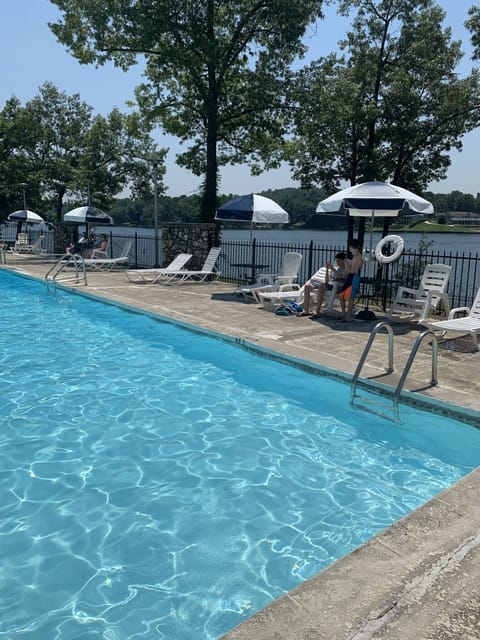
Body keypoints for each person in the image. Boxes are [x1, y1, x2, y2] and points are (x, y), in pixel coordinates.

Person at [305, 252, 349, 317]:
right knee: (309, 286)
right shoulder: (336, 268)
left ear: (343, 261)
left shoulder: (346, 269)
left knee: (321, 287)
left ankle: (317, 311)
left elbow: (343, 277)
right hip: (330, 285)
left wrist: (333, 270)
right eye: (336, 261)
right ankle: (307, 311)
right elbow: (327, 281)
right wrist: (327, 270)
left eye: (339, 261)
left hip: (338, 287)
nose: (337, 263)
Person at [337, 238, 363, 322]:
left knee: (349, 297)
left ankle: (347, 316)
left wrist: (346, 264)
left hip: (353, 277)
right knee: (343, 295)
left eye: (350, 247)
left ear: (352, 247)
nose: (349, 249)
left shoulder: (356, 256)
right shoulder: (358, 256)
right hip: (352, 277)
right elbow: (360, 266)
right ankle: (344, 314)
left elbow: (352, 270)